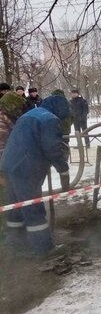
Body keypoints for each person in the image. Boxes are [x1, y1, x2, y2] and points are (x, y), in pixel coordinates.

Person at [0, 95, 71, 257]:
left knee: (15, 206)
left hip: (9, 164)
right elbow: (52, 148)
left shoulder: (30, 114)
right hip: (26, 167)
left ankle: (16, 244)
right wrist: (63, 170)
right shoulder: (50, 120)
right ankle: (44, 249)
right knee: (33, 207)